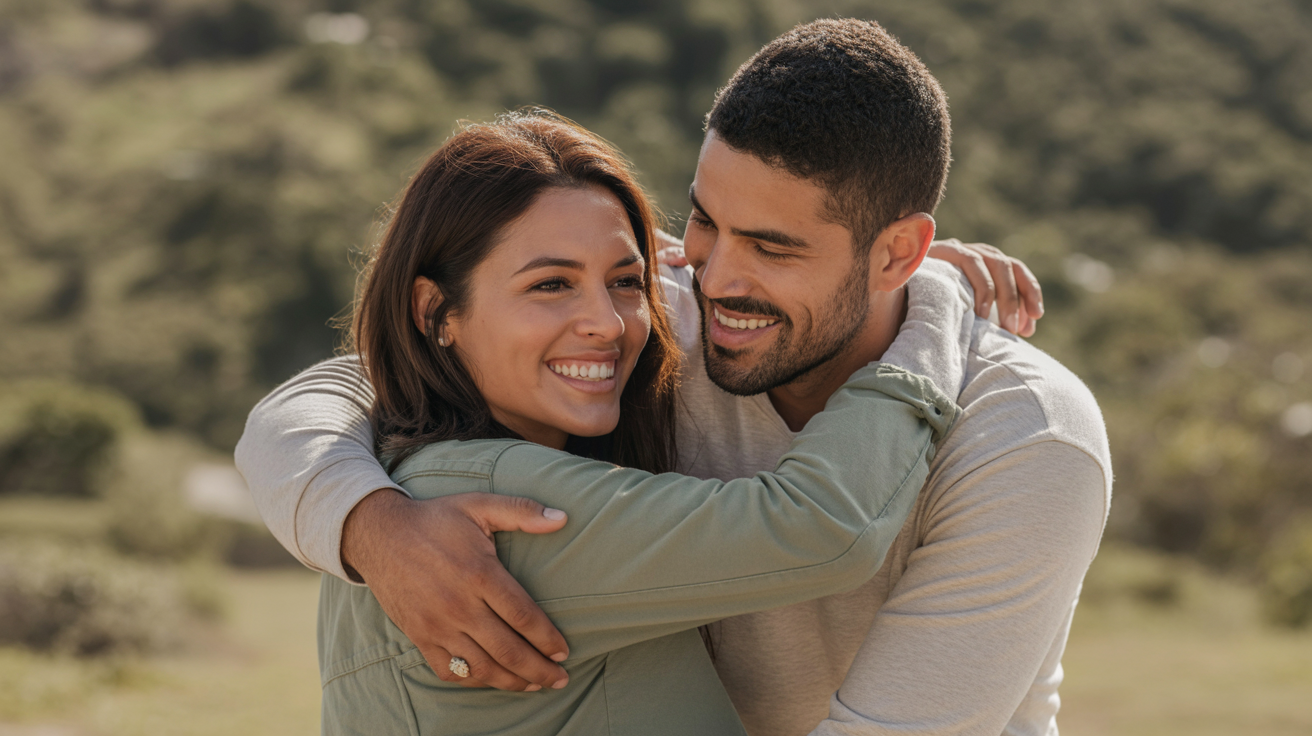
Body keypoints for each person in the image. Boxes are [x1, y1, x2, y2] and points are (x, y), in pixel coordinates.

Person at [238, 17, 1110, 736]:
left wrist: (935, 300)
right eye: (704, 222)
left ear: (896, 253)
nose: (716, 276)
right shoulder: (652, 328)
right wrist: (371, 524)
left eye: (773, 247)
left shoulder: (1026, 438)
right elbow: (345, 387)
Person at [306, 109, 964, 735]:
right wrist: (931, 304)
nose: (608, 322)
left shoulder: (403, 479)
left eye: (626, 281)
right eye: (551, 285)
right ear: (436, 312)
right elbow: (824, 526)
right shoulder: (500, 511)